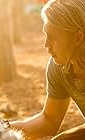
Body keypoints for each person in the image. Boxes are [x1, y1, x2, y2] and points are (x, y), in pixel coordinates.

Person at [10, 0, 85, 139]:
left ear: (78, 38)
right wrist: (0, 128)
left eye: (53, 37)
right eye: (46, 35)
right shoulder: (58, 68)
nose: (46, 44)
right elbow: (49, 120)